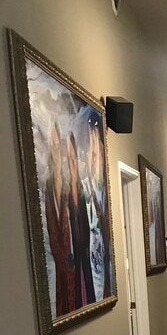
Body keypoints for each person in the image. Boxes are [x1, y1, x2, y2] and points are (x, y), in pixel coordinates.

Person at [44, 120, 74, 316]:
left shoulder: (69, 189)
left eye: (57, 146)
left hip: (72, 274)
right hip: (57, 276)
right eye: (52, 146)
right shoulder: (46, 189)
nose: (55, 151)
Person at [67, 131, 95, 309]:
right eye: (68, 158)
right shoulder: (66, 195)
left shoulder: (84, 192)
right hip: (75, 262)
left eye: (73, 157)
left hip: (86, 259)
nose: (72, 163)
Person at [84, 114, 111, 300]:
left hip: (102, 267)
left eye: (98, 149)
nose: (94, 156)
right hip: (92, 270)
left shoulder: (102, 191)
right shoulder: (86, 188)